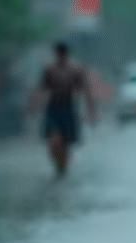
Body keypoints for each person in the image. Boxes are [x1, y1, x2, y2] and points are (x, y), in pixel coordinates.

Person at [34, 42, 97, 176]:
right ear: (56, 54)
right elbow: (41, 89)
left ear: (66, 54)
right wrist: (33, 106)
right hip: (53, 108)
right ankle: (59, 165)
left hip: (68, 108)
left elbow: (86, 90)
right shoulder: (49, 69)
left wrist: (92, 112)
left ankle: (63, 168)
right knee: (54, 141)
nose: (61, 57)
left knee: (65, 144)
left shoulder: (76, 69)